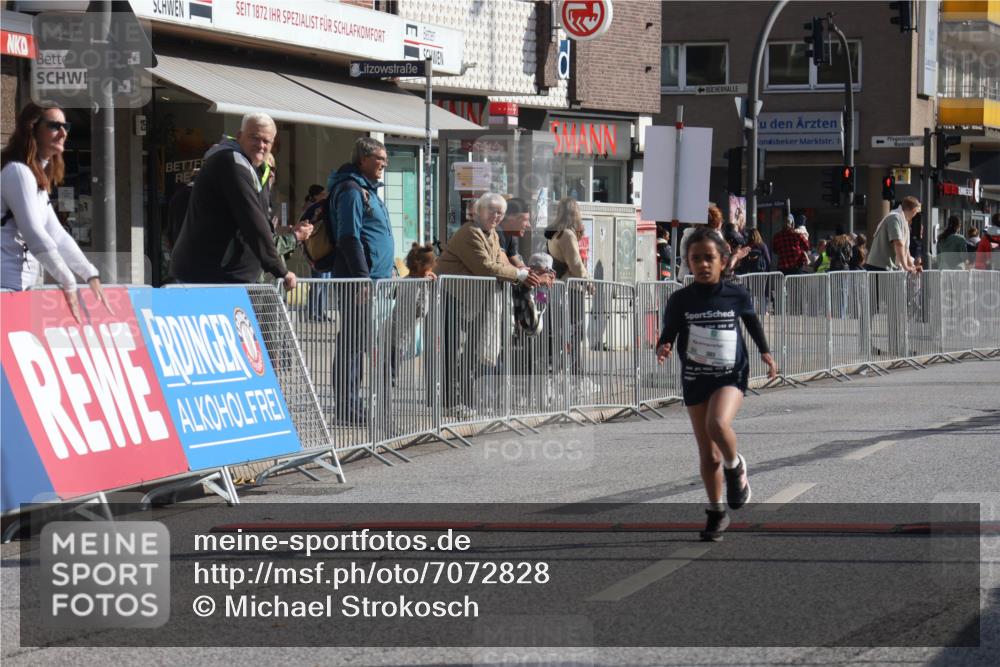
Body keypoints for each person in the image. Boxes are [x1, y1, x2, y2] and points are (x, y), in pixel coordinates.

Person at [656, 226, 778, 542]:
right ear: (688, 262)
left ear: (723, 261)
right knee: (708, 455)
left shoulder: (736, 293)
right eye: (696, 258)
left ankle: (735, 467)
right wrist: (663, 346)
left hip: (730, 374)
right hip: (696, 376)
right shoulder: (680, 299)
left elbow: (752, 322)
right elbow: (669, 332)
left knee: (717, 424)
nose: (703, 264)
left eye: (709, 258)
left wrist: (766, 353)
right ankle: (716, 511)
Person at [1, 102, 110, 322]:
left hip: (20, 288)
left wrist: (90, 274)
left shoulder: (35, 177)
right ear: (32, 129)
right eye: (54, 126)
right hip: (5, 287)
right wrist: (68, 281)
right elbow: (34, 234)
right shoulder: (17, 172)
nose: (63, 133)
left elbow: (57, 234)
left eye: (65, 126)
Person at [436, 192, 544, 415]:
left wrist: (521, 272)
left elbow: (499, 262)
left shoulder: (491, 233)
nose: (496, 216)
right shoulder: (470, 232)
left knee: (468, 354)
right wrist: (520, 274)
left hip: (471, 300)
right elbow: (485, 267)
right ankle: (450, 403)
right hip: (453, 296)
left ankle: (465, 401)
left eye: (500, 213)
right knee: (453, 352)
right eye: (492, 211)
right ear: (479, 211)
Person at [171, 112, 296, 290]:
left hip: (226, 280)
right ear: (239, 136)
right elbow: (252, 220)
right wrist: (280, 270)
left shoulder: (253, 168)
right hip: (211, 281)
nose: (261, 145)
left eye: (266, 141)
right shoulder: (232, 162)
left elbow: (259, 222)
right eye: (255, 138)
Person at [326, 137, 395, 423]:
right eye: (380, 158)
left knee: (357, 343)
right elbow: (349, 237)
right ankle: (348, 409)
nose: (384, 163)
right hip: (358, 284)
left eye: (385, 159)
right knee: (353, 345)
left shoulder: (367, 190)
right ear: (363, 159)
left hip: (373, 281)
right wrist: (362, 278)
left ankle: (354, 406)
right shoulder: (352, 190)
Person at [865, 196, 920, 274]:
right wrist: (906, 267)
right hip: (879, 266)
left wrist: (912, 266)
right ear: (914, 210)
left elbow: (905, 248)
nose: (914, 216)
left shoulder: (902, 220)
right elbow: (899, 243)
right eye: (916, 213)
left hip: (886, 266)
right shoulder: (894, 218)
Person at [678, 205, 724, 280]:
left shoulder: (687, 234)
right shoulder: (716, 236)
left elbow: (684, 256)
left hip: (687, 276)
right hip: (709, 277)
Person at [496, 197, 530, 268]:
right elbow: (504, 266)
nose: (528, 225)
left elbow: (517, 264)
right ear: (510, 218)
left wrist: (532, 272)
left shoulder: (509, 234)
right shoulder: (497, 233)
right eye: (525, 220)